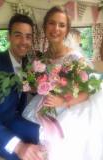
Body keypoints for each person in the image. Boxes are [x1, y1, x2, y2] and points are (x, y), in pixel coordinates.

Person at [22, 6, 103, 160]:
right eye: (52, 23)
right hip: (45, 104)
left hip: (70, 106)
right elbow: (37, 86)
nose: (56, 29)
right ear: (45, 26)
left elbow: (87, 92)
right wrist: (31, 85)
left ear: (67, 30)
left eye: (61, 25)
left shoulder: (75, 57)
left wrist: (63, 101)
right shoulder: (40, 60)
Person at [0, 14, 45, 160]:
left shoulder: (27, 64)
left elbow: (26, 91)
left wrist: (38, 89)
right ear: (9, 36)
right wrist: (19, 147)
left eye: (28, 37)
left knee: (48, 139)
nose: (24, 41)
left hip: (15, 120)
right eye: (18, 35)